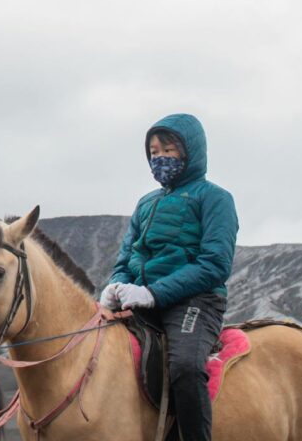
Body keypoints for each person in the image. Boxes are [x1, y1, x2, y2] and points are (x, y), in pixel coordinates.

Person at [100, 114, 238, 441]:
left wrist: (154, 294)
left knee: (186, 368)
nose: (159, 157)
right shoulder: (146, 203)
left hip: (195, 301)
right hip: (141, 299)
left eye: (168, 149)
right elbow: (127, 256)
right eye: (153, 151)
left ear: (190, 150)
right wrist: (116, 285)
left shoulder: (216, 198)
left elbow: (215, 264)